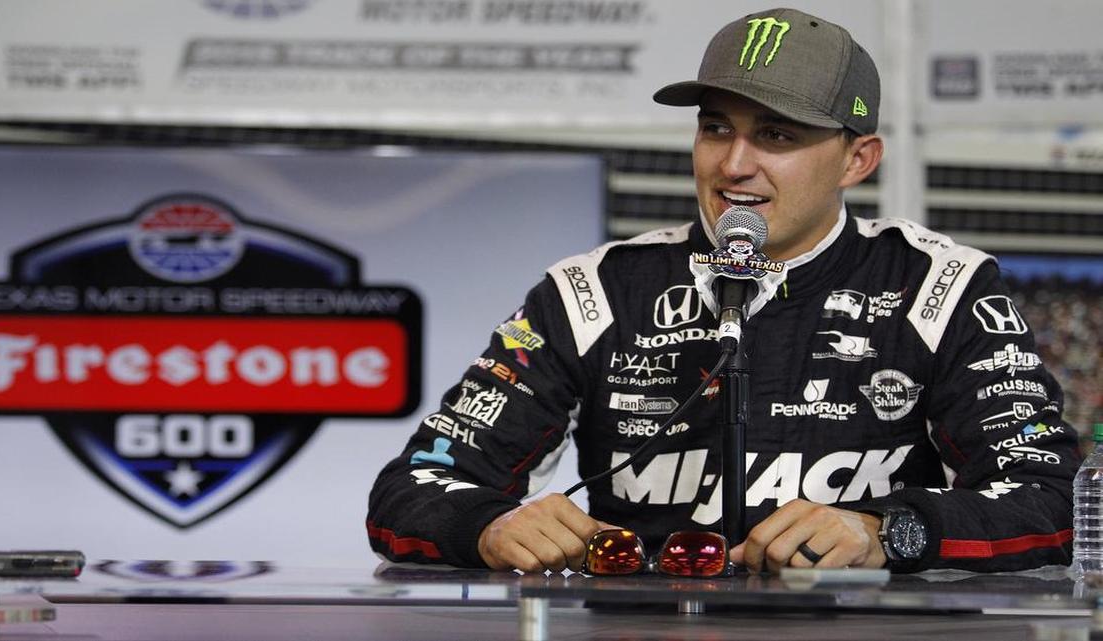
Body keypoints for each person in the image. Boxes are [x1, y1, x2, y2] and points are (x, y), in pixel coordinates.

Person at [367, 7, 1079, 574]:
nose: (734, 165)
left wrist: (886, 529)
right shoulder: (592, 292)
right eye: (716, 128)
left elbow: (1049, 499)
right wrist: (489, 524)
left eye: (776, 134)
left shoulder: (940, 286)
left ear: (857, 159)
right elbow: (411, 489)